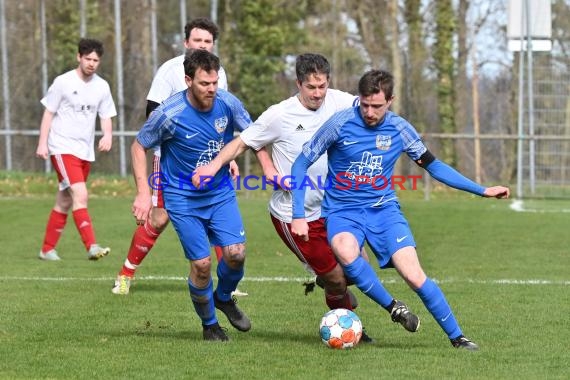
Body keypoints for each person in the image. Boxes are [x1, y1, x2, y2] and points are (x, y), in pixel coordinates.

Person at [192, 54, 419, 341]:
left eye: (322, 86)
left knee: (357, 266)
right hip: (294, 216)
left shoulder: (341, 101)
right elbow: (242, 142)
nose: (317, 93)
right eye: (310, 87)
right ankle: (352, 330)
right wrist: (213, 166)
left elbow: (375, 108)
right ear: (298, 83)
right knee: (338, 280)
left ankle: (329, 284)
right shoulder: (280, 114)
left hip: (334, 210)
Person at [290, 69, 510, 351]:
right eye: (365, 104)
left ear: (390, 100)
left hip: (384, 211)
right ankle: (395, 307)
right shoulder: (339, 123)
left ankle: (458, 338)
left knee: (414, 274)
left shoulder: (399, 128)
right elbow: (300, 164)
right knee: (345, 251)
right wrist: (298, 214)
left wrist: (482, 189)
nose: (369, 112)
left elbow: (434, 166)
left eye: (377, 106)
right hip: (343, 212)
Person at [131, 49, 252, 341]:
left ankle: (223, 297)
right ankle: (209, 325)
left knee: (236, 254)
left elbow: (252, 136)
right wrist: (143, 193)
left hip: (220, 192)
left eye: (214, 83)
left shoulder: (228, 103)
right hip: (182, 197)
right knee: (202, 264)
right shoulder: (168, 114)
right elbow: (138, 145)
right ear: (188, 80)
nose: (211, 89)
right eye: (204, 84)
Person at [112, 17, 239, 295]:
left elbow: (225, 119)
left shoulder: (219, 72)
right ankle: (125, 274)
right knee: (159, 218)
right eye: (197, 40)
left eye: (207, 41)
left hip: (211, 157)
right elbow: (152, 115)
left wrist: (229, 158)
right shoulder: (169, 70)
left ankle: (226, 281)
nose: (202, 45)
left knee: (217, 211)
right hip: (171, 158)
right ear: (186, 43)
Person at [36, 38, 116, 261]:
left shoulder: (102, 86)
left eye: (95, 60)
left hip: (84, 151)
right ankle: (92, 246)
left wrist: (107, 135)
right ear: (78, 57)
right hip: (61, 147)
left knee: (65, 200)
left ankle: (47, 249)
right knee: (80, 194)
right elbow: (48, 113)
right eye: (88, 58)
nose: (91, 63)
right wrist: (43, 143)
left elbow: (106, 115)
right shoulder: (63, 82)